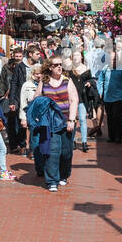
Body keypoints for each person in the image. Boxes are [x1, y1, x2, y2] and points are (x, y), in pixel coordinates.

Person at [36, 56, 79, 191]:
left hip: (66, 121)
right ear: (50, 67)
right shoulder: (45, 81)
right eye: (56, 65)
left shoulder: (67, 81)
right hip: (50, 123)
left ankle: (63, 175)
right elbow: (37, 98)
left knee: (66, 152)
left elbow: (74, 100)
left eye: (61, 65)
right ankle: (51, 181)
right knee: (53, 151)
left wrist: (71, 120)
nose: (59, 67)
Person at [4, 46, 28, 154]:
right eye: (16, 56)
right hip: (10, 97)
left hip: (21, 96)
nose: (18, 58)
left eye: (20, 56)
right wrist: (3, 94)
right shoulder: (7, 67)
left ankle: (21, 143)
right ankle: (14, 144)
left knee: (21, 121)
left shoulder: (24, 67)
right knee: (12, 122)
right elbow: (3, 81)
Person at [71, 51, 95, 152]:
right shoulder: (69, 70)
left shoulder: (86, 69)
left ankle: (84, 142)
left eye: (78, 55)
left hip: (82, 97)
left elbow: (92, 80)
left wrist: (89, 82)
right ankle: (72, 141)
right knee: (72, 119)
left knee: (82, 119)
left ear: (81, 57)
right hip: (72, 97)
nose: (76, 57)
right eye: (74, 55)